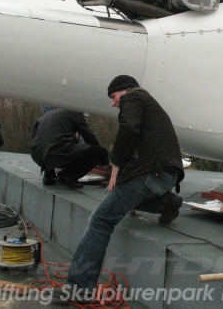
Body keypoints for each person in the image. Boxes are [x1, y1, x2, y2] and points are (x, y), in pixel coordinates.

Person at [65, 75, 184, 301]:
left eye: (114, 97)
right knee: (117, 195)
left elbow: (128, 129)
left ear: (126, 90)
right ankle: (165, 203)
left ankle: (79, 288)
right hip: (167, 175)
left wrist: (116, 164)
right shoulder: (148, 105)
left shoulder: (134, 97)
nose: (113, 103)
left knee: (100, 221)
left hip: (152, 172)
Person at [30, 108, 110, 189]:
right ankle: (68, 176)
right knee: (100, 152)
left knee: (53, 146)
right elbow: (90, 137)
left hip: (37, 154)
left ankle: (49, 174)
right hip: (55, 153)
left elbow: (35, 135)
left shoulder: (49, 114)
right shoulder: (75, 114)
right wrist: (105, 161)